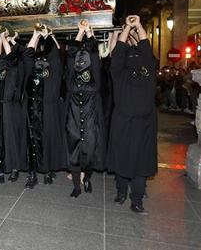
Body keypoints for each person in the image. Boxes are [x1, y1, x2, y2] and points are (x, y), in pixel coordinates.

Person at [107, 15, 157, 215]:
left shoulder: (149, 68)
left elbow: (145, 46)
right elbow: (118, 52)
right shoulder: (119, 70)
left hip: (145, 123)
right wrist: (127, 28)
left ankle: (137, 200)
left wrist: (138, 26)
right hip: (123, 122)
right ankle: (121, 193)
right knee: (121, 159)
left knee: (141, 163)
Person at [64, 20, 105, 197]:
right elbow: (71, 53)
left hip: (91, 111)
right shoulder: (72, 74)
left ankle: (87, 177)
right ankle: (76, 186)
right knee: (73, 147)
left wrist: (89, 32)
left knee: (90, 147)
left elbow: (94, 52)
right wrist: (80, 31)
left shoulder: (94, 72)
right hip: (73, 110)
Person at [23, 25, 66, 188]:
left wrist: (48, 36)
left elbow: (55, 54)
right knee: (31, 143)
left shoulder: (54, 69)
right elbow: (28, 55)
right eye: (38, 60)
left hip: (48, 110)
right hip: (31, 110)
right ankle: (32, 174)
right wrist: (35, 34)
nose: (40, 62)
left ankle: (47, 171)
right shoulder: (30, 69)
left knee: (48, 141)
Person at [0, 30, 27, 186]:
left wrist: (4, 37)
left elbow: (9, 55)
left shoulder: (13, 69)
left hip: (7, 108)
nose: (0, 61)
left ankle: (14, 168)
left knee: (9, 140)